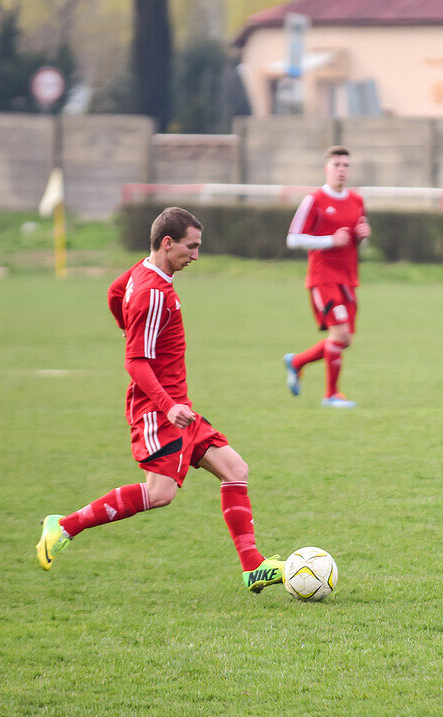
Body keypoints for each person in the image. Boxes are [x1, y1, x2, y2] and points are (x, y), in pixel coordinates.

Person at [36, 207, 288, 593]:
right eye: (192, 247)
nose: (196, 256)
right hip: (159, 410)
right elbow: (135, 363)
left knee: (235, 468)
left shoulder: (141, 273)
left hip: (177, 408)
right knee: (160, 494)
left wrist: (126, 327)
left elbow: (113, 292)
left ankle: (253, 566)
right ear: (167, 243)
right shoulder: (155, 293)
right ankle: (64, 525)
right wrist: (168, 405)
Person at [283, 145, 371, 408]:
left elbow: (356, 241)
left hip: (348, 278)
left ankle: (296, 362)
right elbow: (292, 239)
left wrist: (362, 238)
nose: (341, 170)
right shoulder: (314, 200)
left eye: (346, 165)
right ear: (327, 168)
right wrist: (329, 241)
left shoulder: (357, 200)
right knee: (341, 335)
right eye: (337, 165)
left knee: (344, 340)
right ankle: (331, 395)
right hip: (323, 277)